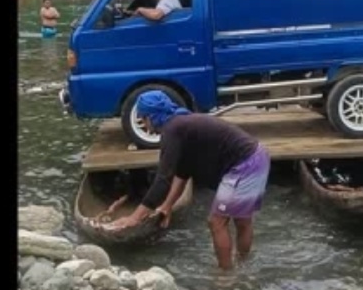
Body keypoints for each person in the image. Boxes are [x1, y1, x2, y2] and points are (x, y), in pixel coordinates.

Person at [105, 90, 270, 270]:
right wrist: (167, 205)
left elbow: (163, 179)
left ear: (152, 117)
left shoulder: (172, 129)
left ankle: (226, 278)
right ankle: (243, 265)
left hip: (244, 164)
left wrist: (134, 218)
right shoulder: (181, 124)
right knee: (242, 220)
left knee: (216, 222)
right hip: (258, 155)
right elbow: (183, 172)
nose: (144, 124)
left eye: (143, 119)